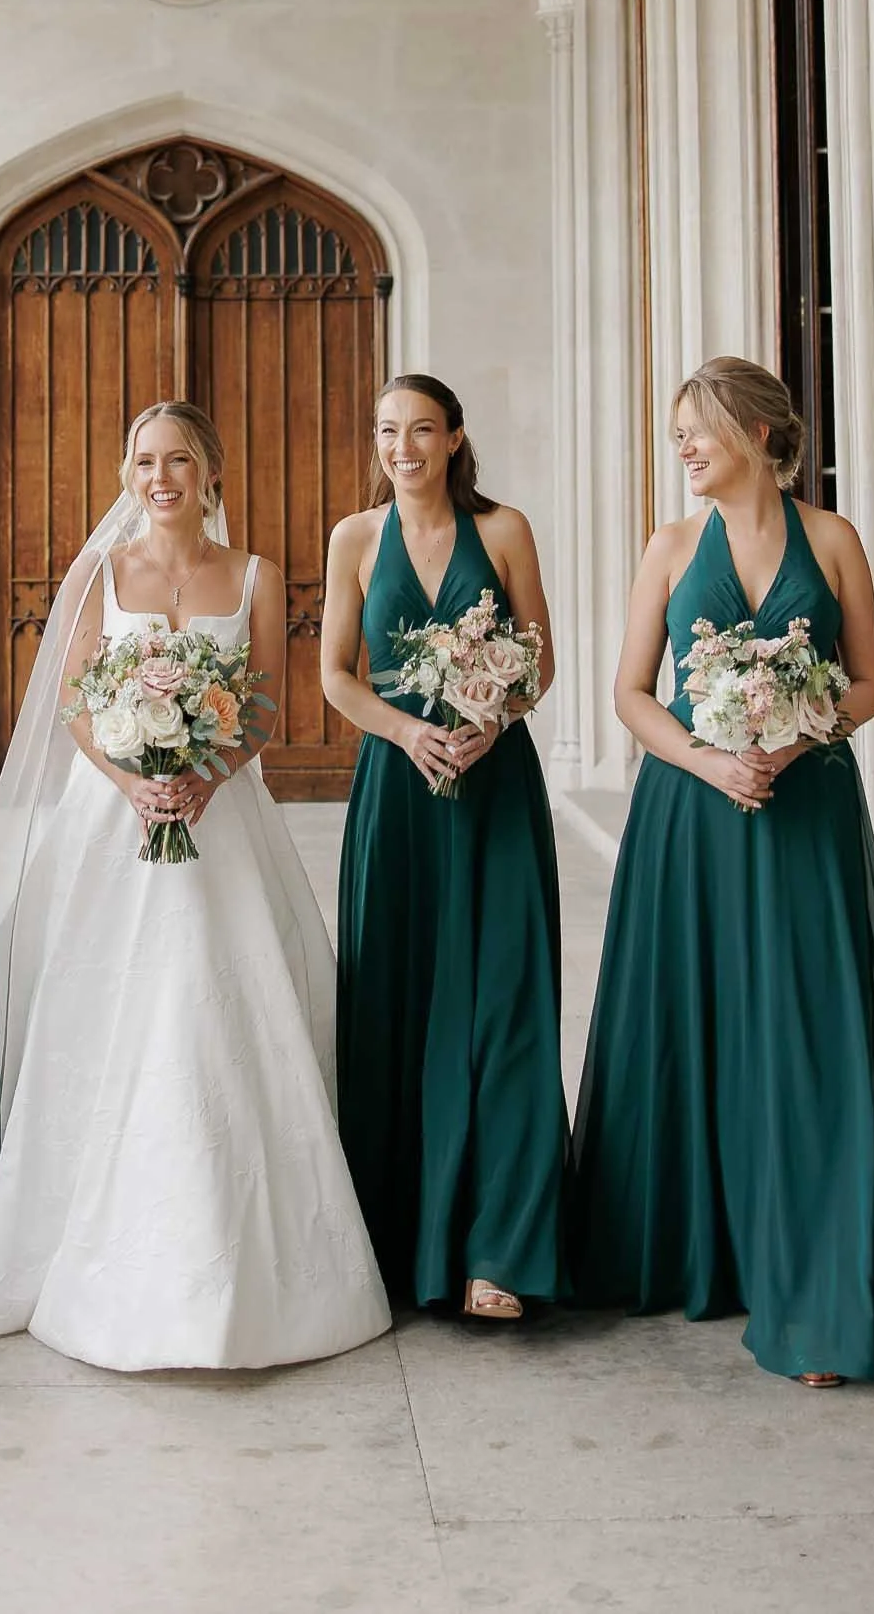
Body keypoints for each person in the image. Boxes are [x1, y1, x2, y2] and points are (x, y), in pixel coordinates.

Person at [569, 356, 874, 1383]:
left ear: (759, 432)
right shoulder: (669, 548)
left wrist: (798, 733)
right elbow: (631, 694)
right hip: (689, 814)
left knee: (811, 1037)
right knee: (698, 1025)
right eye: (673, 433)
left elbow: (867, 679)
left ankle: (817, 1288)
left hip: (803, 812)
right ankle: (698, 1248)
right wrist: (710, 757)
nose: (679, 448)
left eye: (694, 429)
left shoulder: (832, 537)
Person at [0, 399, 390, 1370]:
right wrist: (129, 779)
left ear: (210, 473)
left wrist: (204, 771)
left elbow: (267, 709)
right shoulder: (102, 574)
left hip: (219, 815)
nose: (159, 477)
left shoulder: (253, 574)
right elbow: (75, 699)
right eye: (143, 460)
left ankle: (256, 1260)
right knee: (105, 1015)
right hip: (110, 822)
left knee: (214, 1012)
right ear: (128, 474)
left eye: (178, 460)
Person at [324, 372, 568, 1318]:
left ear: (456, 436)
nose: (405, 449)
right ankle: (400, 1246)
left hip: (495, 786)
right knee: (399, 1001)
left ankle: (500, 1251)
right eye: (389, 431)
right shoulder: (356, 537)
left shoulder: (502, 531)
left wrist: (491, 717)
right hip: (397, 790)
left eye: (422, 430)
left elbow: (537, 659)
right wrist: (406, 731)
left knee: (505, 1005)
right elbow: (335, 678)